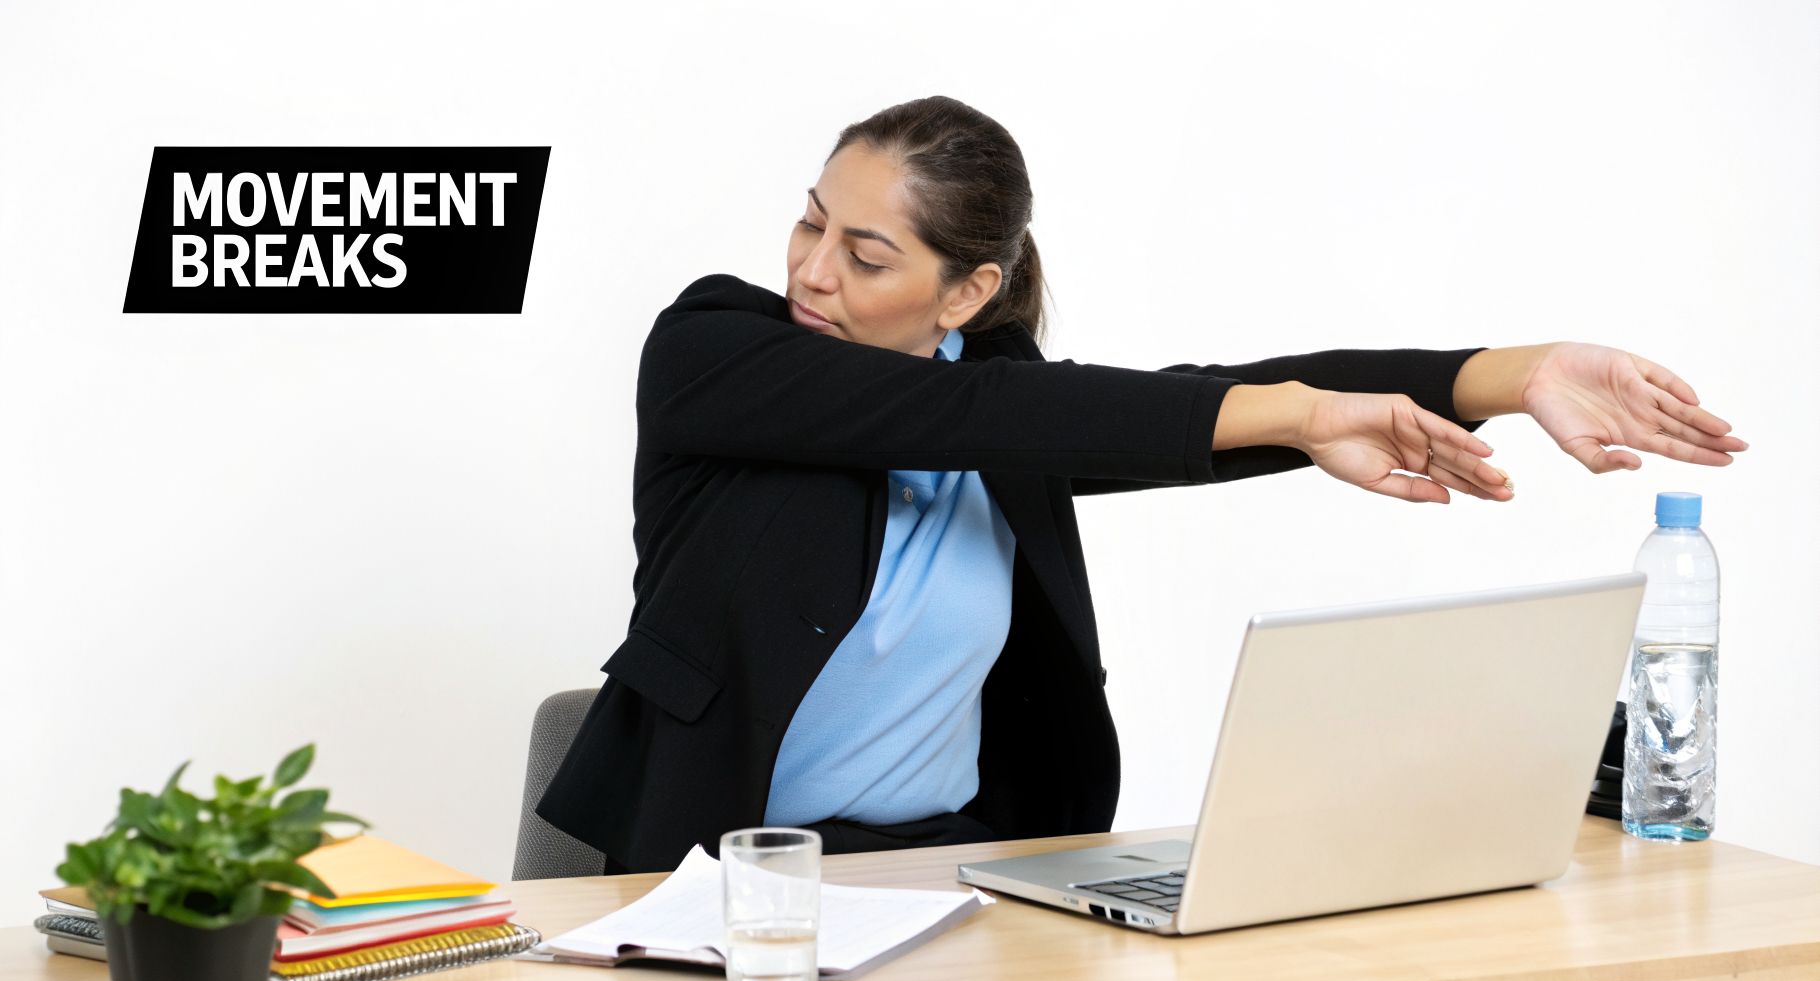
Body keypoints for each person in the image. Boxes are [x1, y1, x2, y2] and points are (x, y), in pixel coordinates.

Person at [536, 96, 1746, 875]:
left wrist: (1510, 374)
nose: (811, 271)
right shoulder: (714, 355)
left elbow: (1162, 403)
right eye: (811, 227)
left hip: (953, 874)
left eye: (864, 255)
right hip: (719, 878)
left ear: (967, 292)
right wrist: (1301, 417)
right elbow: (986, 416)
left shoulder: (1001, 403)